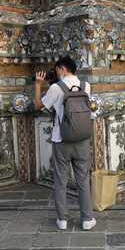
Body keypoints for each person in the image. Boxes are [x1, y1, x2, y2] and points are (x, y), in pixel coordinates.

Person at [34, 55, 96, 231]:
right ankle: (87, 219)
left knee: (60, 180)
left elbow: (39, 105)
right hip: (82, 138)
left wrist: (38, 85)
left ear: (62, 68)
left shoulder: (56, 87)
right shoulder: (86, 86)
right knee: (83, 179)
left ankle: (62, 220)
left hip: (61, 139)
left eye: (56, 69)